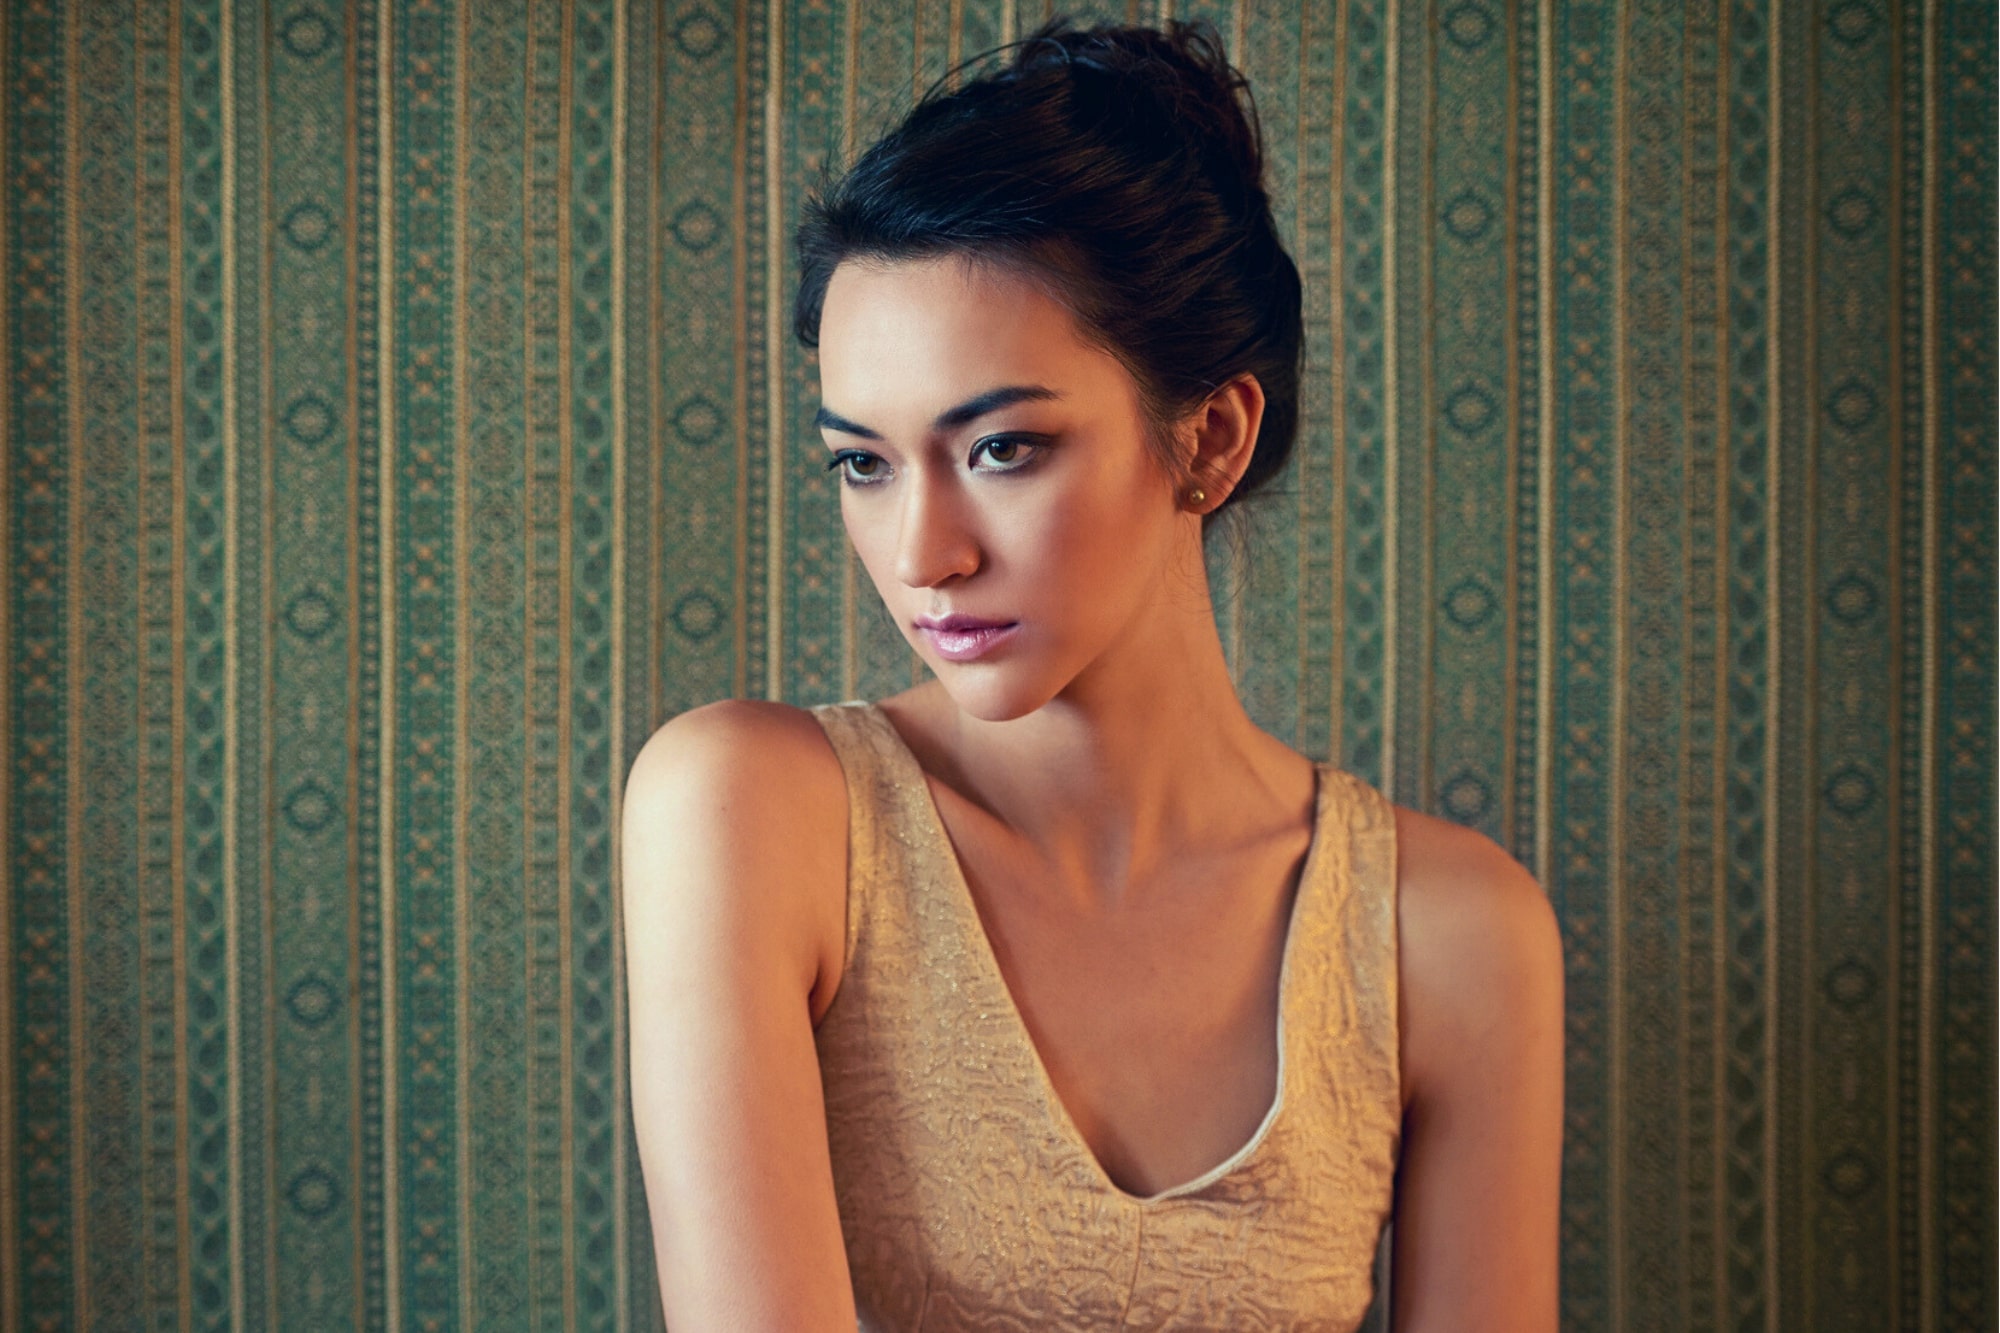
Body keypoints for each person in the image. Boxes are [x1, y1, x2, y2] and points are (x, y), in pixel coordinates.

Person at [621, 18, 1562, 1331]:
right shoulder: (753, 814)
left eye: (1002, 448)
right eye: (864, 462)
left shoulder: (1450, 932)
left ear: (1212, 438)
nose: (922, 553)